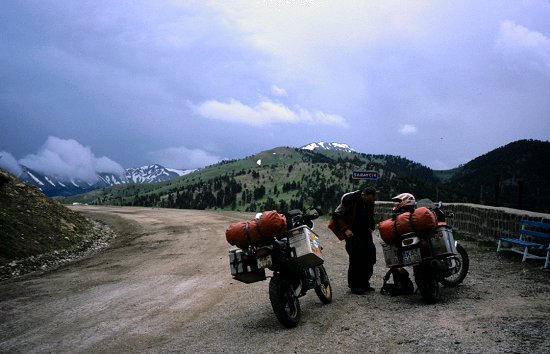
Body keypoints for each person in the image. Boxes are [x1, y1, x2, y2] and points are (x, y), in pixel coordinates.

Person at [332, 187, 377, 295]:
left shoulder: (370, 201)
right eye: (368, 199)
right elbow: (337, 214)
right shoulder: (351, 200)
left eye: (371, 200)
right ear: (363, 195)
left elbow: (370, 215)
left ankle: (364, 282)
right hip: (352, 233)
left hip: (365, 232)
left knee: (370, 255)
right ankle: (355, 285)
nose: (370, 202)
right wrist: (345, 229)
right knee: (356, 257)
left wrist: (371, 227)